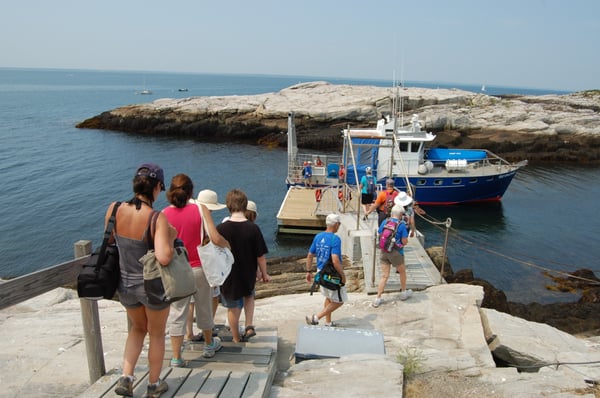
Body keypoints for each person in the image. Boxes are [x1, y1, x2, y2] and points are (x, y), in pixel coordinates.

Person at [112, 163, 177, 398]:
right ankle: (153, 384)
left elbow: (111, 242)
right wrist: (170, 237)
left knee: (137, 329)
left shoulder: (114, 209)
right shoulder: (155, 217)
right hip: (151, 287)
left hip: (125, 284)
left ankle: (126, 377)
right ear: (158, 187)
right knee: (156, 333)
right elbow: (164, 257)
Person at [162, 175, 230, 363]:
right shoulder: (201, 209)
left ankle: (176, 356)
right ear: (191, 191)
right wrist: (228, 246)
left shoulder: (163, 214)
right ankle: (209, 345)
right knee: (204, 307)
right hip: (199, 266)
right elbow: (215, 237)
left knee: (177, 312)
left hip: (176, 270)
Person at [217, 189, 271, 343]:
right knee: (249, 296)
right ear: (245, 205)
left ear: (228, 205)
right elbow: (260, 255)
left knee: (233, 308)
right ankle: (249, 325)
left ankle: (235, 338)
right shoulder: (253, 228)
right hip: (248, 273)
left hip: (229, 274)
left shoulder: (221, 229)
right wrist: (264, 273)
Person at [187, 189, 227, 338]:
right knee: (212, 298)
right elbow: (214, 238)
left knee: (189, 302)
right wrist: (227, 246)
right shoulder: (204, 216)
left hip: (186, 264)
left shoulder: (188, 213)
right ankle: (208, 336)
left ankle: (188, 333)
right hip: (203, 264)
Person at [305, 213, 347, 327]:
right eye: (339, 224)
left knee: (328, 297)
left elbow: (310, 255)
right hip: (331, 274)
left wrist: (308, 271)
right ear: (336, 224)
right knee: (339, 300)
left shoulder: (318, 236)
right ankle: (316, 317)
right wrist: (342, 275)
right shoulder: (335, 239)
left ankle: (328, 322)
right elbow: (335, 260)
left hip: (320, 271)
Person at [372, 205, 412, 308]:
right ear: (400, 215)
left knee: (384, 276)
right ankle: (403, 293)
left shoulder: (385, 222)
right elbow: (404, 241)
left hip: (384, 251)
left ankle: (378, 298)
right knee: (402, 271)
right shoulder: (402, 225)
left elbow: (380, 233)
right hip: (396, 253)